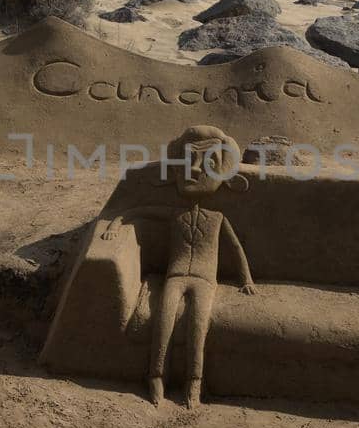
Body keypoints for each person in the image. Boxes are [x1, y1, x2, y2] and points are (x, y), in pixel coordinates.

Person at [101, 126, 256, 408]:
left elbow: (235, 250)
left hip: (204, 280)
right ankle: (156, 377)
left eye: (208, 163)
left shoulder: (218, 217)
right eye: (187, 162)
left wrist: (246, 279)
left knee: (198, 327)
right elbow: (135, 211)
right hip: (175, 276)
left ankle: (193, 383)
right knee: (164, 320)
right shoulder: (175, 214)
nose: (194, 170)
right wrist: (114, 225)